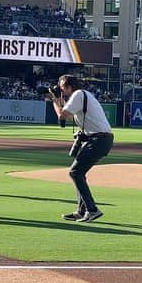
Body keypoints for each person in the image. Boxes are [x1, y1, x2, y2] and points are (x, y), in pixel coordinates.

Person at [50, 74, 114, 223]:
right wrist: (59, 99)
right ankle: (82, 211)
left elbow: (62, 115)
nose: (61, 91)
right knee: (78, 173)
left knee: (75, 172)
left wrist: (53, 99)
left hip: (99, 139)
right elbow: (72, 117)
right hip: (99, 139)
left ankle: (92, 210)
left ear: (69, 87)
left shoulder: (78, 94)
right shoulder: (82, 95)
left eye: (62, 88)